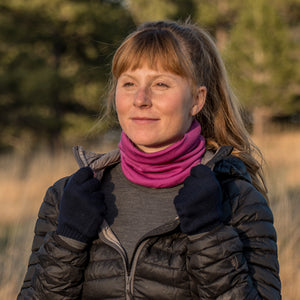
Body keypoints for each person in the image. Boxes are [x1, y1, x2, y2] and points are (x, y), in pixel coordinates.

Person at [18, 20, 281, 299]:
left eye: (161, 84)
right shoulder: (67, 196)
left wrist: (209, 235)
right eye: (129, 83)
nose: (141, 99)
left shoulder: (237, 199)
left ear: (196, 99)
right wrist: (67, 242)